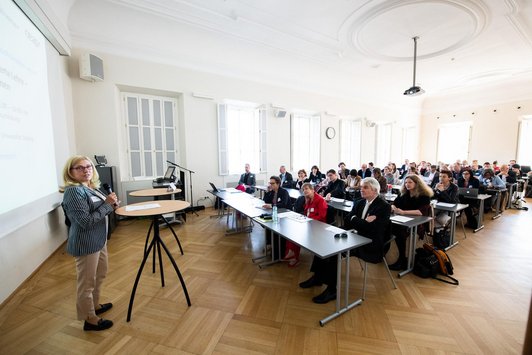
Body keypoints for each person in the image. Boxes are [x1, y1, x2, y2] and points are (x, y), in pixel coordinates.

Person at [299, 178, 391, 304]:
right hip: (353, 234)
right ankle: (317, 277)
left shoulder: (384, 206)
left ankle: (332, 290)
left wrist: (356, 220)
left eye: (365, 187)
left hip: (369, 243)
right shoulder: (359, 202)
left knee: (334, 252)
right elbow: (348, 220)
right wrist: (361, 221)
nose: (361, 189)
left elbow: (373, 229)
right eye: (362, 187)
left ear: (375, 190)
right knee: (323, 241)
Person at [60, 155, 118, 331]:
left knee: (99, 276)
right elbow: (85, 221)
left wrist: (110, 205)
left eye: (88, 167)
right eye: (79, 168)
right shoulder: (73, 192)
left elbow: (99, 210)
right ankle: (90, 319)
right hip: (86, 244)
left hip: (99, 241)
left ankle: (95, 305)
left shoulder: (91, 187)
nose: (86, 170)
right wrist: (108, 205)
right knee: (86, 283)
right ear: (70, 172)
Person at [389, 174, 433, 271]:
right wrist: (394, 208)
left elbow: (420, 212)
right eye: (405, 182)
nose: (407, 184)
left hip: (417, 223)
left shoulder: (424, 196)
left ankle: (402, 259)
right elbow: (394, 204)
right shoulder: (404, 193)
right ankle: (383, 253)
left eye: (410, 182)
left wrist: (403, 212)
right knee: (388, 226)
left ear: (417, 183)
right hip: (402, 219)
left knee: (399, 231)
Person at [283, 183, 327, 268]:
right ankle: (291, 252)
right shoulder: (308, 199)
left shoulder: (320, 200)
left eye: (306, 189)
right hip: (309, 223)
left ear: (312, 190)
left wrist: (309, 219)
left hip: (318, 226)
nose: (304, 191)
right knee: (291, 230)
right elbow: (307, 213)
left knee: (297, 233)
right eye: (303, 190)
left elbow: (322, 216)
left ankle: (294, 255)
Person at [262, 176, 292, 259]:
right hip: (276, 213)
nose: (270, 185)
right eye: (270, 183)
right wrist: (268, 191)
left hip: (285, 215)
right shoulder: (272, 192)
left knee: (274, 227)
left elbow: (284, 204)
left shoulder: (283, 192)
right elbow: (265, 200)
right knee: (265, 222)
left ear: (278, 184)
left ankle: (277, 252)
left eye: (272, 183)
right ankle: (270, 244)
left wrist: (271, 205)